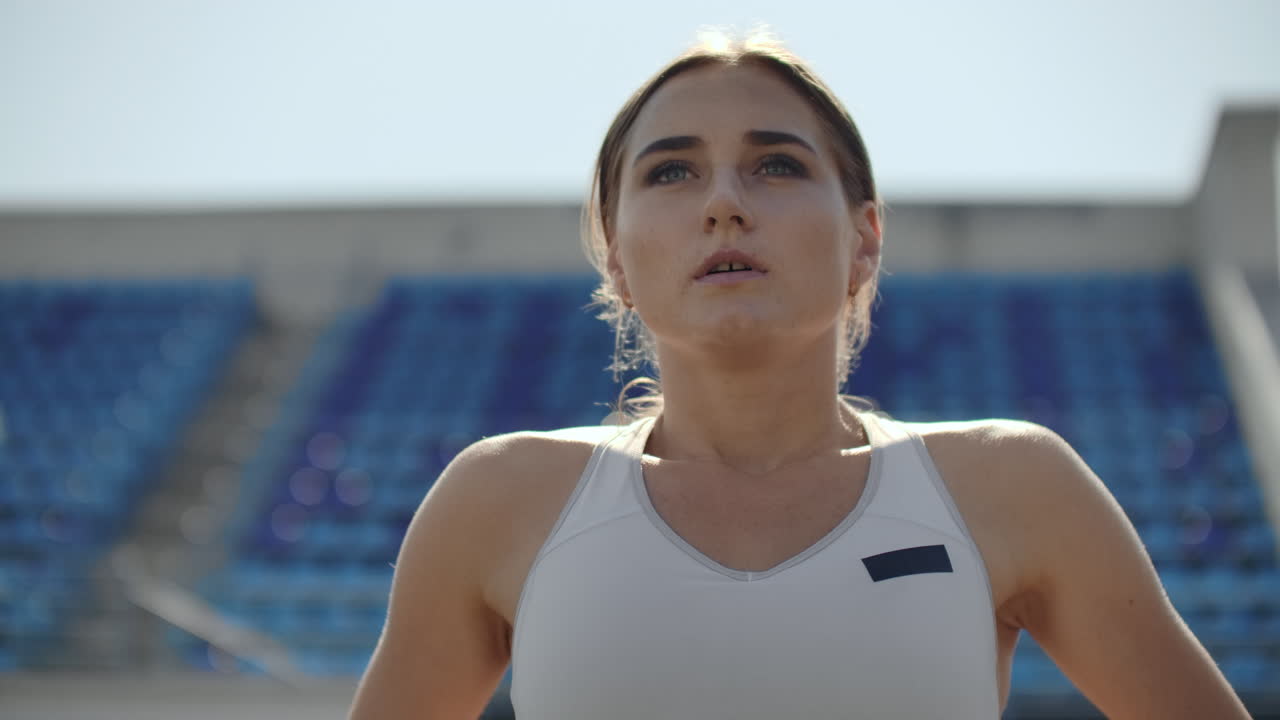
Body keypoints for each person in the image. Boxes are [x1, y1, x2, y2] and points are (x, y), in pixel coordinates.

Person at [348, 29, 1251, 719]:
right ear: (616, 260)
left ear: (864, 237)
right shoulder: (497, 500)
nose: (725, 204)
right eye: (672, 172)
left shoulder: (1015, 484)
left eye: (776, 163)